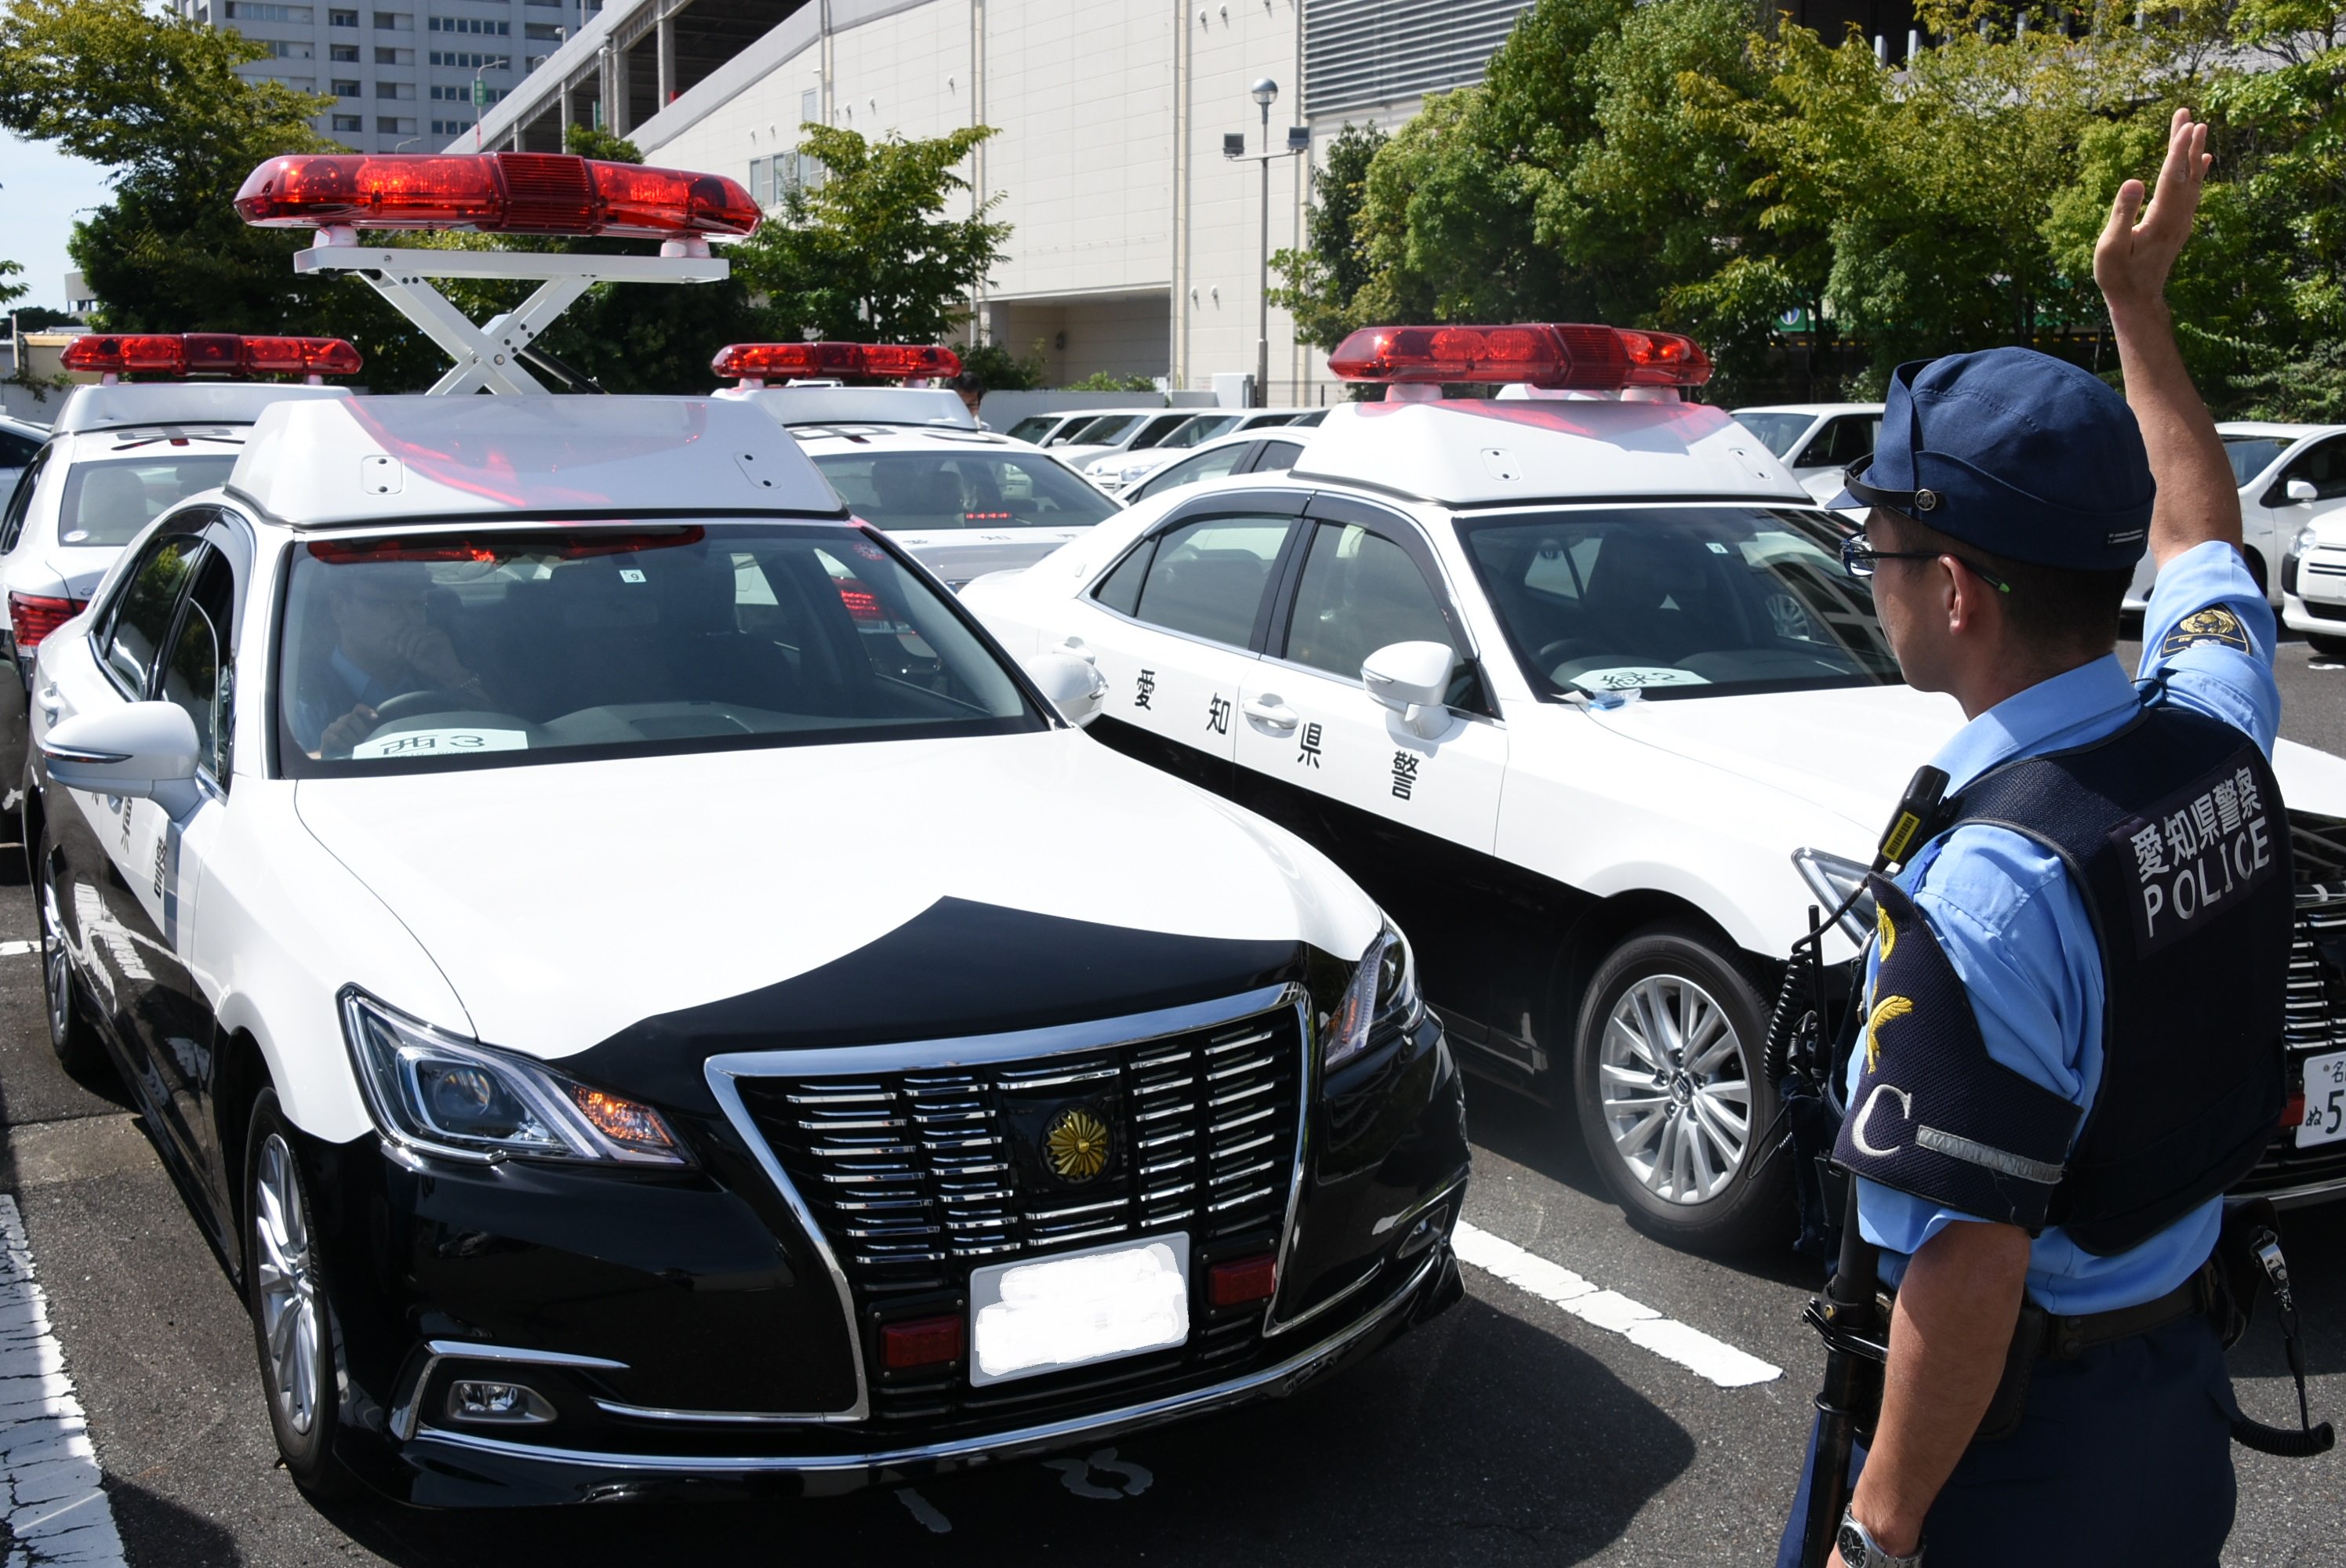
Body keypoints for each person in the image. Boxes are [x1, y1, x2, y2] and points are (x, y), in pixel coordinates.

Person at [1779, 109, 2289, 1567]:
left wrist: (1877, 1531)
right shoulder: (2210, 719)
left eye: (1878, 544)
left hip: (2021, 1466)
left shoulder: (1988, 888)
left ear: (1954, 595)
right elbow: (2202, 534)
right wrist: (2139, 307)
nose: (1865, 569)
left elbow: (1972, 1260)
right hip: (2173, 1412)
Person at [294, 563, 492, 756]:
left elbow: (501, 735)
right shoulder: (300, 697)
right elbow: (289, 771)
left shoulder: (439, 674)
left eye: (416, 604)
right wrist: (328, 754)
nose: (407, 617)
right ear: (339, 607)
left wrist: (454, 675)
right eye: (384, 604)